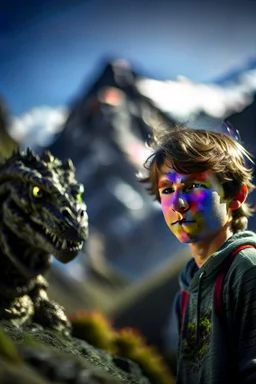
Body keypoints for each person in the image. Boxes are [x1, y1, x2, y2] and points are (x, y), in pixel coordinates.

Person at [140, 124, 256, 383]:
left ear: (235, 196)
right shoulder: (186, 290)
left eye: (193, 186)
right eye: (168, 190)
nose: (179, 204)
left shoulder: (247, 270)